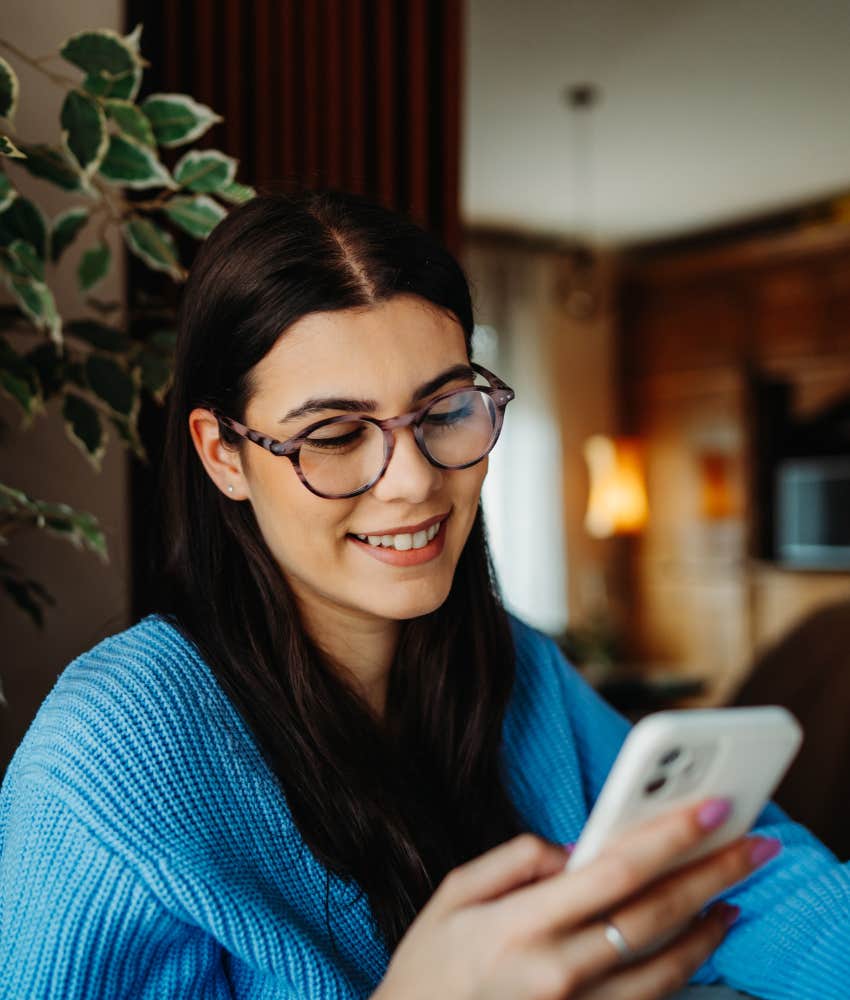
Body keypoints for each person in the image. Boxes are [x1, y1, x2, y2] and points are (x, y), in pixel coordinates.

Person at [0, 192, 846, 1000]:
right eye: (332, 435)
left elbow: (761, 879)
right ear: (223, 454)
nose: (412, 484)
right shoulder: (105, 762)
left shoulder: (512, 665)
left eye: (444, 412)